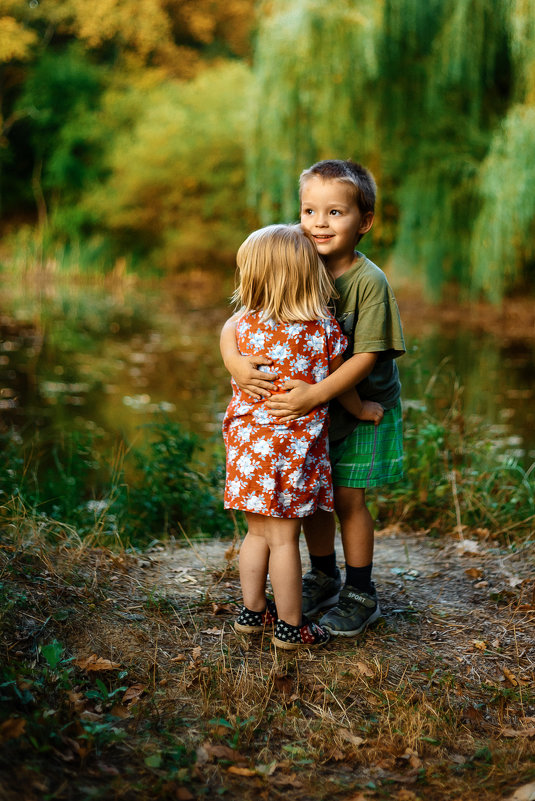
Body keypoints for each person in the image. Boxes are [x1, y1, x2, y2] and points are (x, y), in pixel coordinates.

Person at [221, 160, 405, 637]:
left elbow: (363, 358)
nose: (318, 223)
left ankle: (361, 594)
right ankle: (323, 576)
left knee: (346, 498)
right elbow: (239, 317)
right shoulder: (296, 261)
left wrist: (315, 396)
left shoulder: (369, 283)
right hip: (310, 415)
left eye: (334, 212)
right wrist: (236, 364)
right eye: (309, 210)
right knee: (315, 502)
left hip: (360, 407)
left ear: (363, 222)